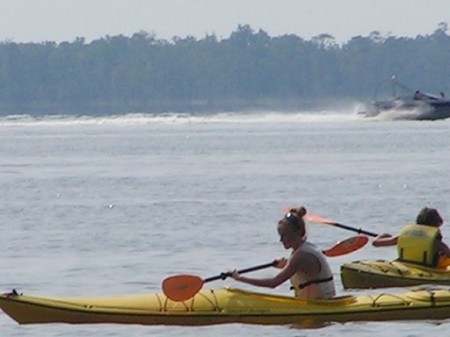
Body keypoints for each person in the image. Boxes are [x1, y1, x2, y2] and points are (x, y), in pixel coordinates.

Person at [230, 206, 336, 300]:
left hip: (320, 304)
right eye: (280, 235)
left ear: (298, 232)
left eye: (285, 235)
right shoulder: (304, 249)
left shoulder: (301, 256)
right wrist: (285, 265)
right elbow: (303, 269)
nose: (281, 240)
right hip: (318, 301)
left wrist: (239, 278)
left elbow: (273, 283)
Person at [373, 207, 450, 267]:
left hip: (404, 265)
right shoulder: (436, 243)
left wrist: (383, 235)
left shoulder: (403, 236)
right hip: (427, 269)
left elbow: (375, 243)